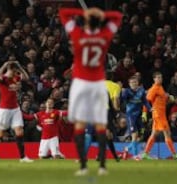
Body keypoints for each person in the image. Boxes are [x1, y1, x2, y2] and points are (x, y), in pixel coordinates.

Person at [59, 7, 122, 176]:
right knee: (100, 126)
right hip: (97, 83)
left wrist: (82, 13)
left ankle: (83, 167)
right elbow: (117, 16)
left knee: (80, 125)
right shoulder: (104, 36)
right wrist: (103, 15)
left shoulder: (78, 34)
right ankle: (102, 167)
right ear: (99, 22)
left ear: (86, 21)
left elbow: (63, 13)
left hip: (80, 83)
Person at [0, 61, 33, 163]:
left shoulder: (15, 78)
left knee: (19, 130)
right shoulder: (3, 78)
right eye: (14, 70)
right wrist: (4, 65)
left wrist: (20, 67)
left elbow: (26, 78)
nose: (15, 73)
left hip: (15, 108)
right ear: (9, 70)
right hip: (4, 109)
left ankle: (22, 157)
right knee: (1, 132)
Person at [141, 72, 177, 160]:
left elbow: (161, 101)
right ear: (154, 79)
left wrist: (168, 98)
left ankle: (145, 153)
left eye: (161, 77)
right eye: (158, 78)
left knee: (154, 134)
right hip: (158, 114)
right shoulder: (154, 89)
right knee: (167, 133)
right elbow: (146, 100)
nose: (160, 79)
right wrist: (144, 112)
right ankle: (174, 154)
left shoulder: (160, 88)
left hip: (160, 114)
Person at [121, 76, 151, 160]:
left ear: (138, 83)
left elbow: (145, 101)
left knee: (139, 137)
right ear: (129, 84)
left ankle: (127, 149)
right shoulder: (126, 91)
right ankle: (135, 156)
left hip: (139, 115)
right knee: (134, 136)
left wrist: (149, 108)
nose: (134, 84)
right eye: (132, 82)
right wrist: (122, 94)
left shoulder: (141, 91)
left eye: (135, 82)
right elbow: (122, 100)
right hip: (130, 116)